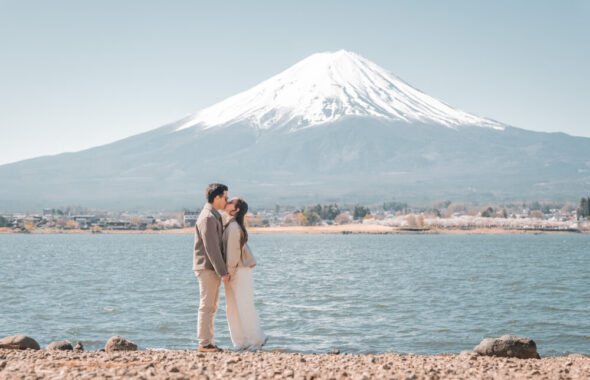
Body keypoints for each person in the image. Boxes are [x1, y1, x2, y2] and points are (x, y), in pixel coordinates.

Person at [222, 197, 267, 350]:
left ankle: (255, 340)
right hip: (236, 269)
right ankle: (241, 342)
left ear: (236, 209)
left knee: (243, 305)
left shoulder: (234, 227)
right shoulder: (231, 223)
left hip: (238, 270)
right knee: (233, 307)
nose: (227, 203)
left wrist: (228, 272)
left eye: (230, 202)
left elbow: (233, 252)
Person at [193, 183, 231, 352]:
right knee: (207, 305)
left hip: (210, 267)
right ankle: (205, 343)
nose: (226, 201)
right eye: (225, 197)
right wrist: (223, 272)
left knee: (211, 305)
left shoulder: (213, 215)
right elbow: (212, 248)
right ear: (217, 198)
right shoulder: (208, 217)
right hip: (207, 267)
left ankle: (208, 342)